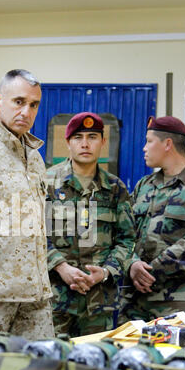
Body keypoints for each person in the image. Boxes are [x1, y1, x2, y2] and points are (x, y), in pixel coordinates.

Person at [0, 69, 54, 339]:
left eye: (33, 104)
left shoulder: (35, 157)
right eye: (19, 102)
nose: (26, 111)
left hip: (36, 293)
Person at [46, 112, 136, 337]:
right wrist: (61, 266)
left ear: (103, 142)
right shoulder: (46, 183)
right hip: (55, 301)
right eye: (78, 137)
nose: (85, 144)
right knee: (52, 366)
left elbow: (127, 239)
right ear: (67, 142)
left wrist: (105, 272)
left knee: (94, 365)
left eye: (92, 137)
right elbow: (32, 236)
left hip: (99, 304)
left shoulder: (116, 189)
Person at [120, 115, 185, 322]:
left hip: (178, 302)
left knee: (175, 354)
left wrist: (153, 271)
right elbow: (124, 232)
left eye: (149, 141)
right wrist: (132, 264)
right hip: (134, 301)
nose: (144, 148)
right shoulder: (144, 185)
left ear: (168, 143)